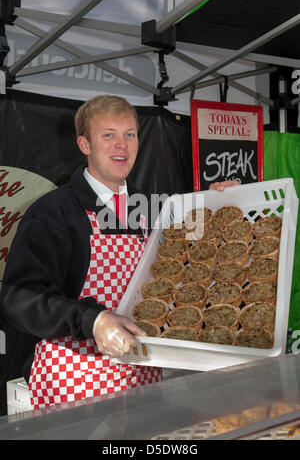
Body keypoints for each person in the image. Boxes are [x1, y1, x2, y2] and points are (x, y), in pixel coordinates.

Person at [0, 95, 239, 410]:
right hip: (75, 379)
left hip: (141, 375)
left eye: (129, 134)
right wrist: (94, 321)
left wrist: (214, 204)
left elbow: (190, 259)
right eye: (108, 135)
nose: (121, 145)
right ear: (85, 145)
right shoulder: (54, 211)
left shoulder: (152, 208)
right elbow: (20, 298)